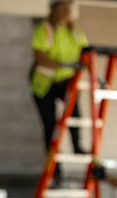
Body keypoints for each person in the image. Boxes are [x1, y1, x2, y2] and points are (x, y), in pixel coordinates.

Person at [31, 0, 87, 157]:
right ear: (53, 8)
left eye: (68, 6)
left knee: (74, 115)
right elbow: (40, 58)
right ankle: (54, 166)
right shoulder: (44, 30)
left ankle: (77, 146)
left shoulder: (76, 32)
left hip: (67, 81)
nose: (66, 10)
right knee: (50, 124)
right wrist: (65, 64)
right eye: (62, 6)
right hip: (44, 84)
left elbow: (87, 56)